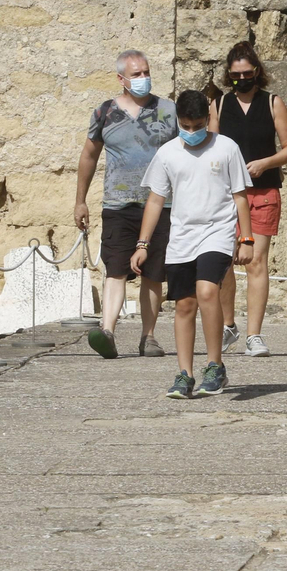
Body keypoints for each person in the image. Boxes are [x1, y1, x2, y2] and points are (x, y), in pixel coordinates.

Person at [132, 90, 254, 399]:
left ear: (208, 120)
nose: (191, 132)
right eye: (185, 126)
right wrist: (142, 244)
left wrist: (247, 237)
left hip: (218, 232)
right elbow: (156, 200)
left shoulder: (227, 148)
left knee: (207, 291)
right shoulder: (168, 153)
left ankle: (214, 365)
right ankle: (184, 374)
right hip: (182, 237)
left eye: (196, 125)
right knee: (185, 304)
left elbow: (241, 195)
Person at [74, 50, 178, 359]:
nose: (143, 78)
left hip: (161, 205)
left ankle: (149, 337)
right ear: (121, 79)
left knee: (154, 275)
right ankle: (107, 331)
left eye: (146, 72)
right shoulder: (105, 112)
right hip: (118, 205)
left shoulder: (169, 111)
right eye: (136, 74)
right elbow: (89, 155)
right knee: (115, 269)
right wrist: (80, 200)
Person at [208, 41, 287, 358]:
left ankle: (254, 335)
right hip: (226, 195)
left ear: (257, 72)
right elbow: (212, 147)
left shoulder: (272, 103)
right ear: (228, 76)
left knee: (257, 261)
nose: (241, 79)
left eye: (247, 73)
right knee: (224, 263)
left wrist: (265, 163)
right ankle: (229, 324)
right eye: (235, 75)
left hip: (263, 192)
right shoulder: (218, 105)